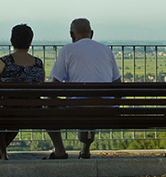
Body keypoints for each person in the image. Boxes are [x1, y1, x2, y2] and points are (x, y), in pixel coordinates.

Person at [46, 17, 121, 159]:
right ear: (91, 34)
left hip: (77, 108)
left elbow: (54, 85)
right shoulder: (106, 49)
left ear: (71, 35)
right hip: (105, 109)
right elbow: (118, 83)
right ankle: (85, 150)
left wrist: (57, 101)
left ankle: (60, 151)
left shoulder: (67, 50)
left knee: (49, 108)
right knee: (93, 100)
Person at [0, 23, 44, 160]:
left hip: (8, 110)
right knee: (15, 115)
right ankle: (0, 153)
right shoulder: (38, 63)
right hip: (32, 111)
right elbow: (41, 86)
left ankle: (2, 153)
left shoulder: (3, 62)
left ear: (12, 41)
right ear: (30, 42)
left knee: (1, 113)